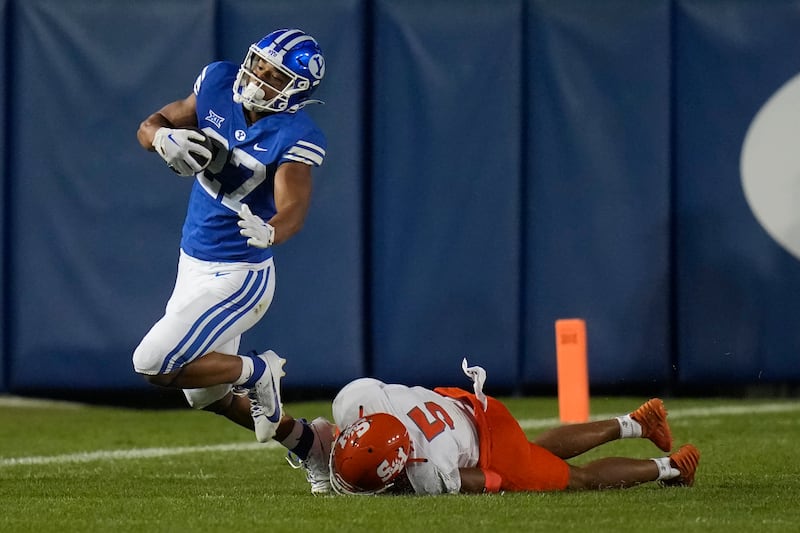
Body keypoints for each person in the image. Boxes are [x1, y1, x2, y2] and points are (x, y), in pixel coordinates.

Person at [132, 29, 329, 450]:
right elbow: (151, 125)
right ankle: (313, 448)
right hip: (193, 262)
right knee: (206, 394)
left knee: (151, 361)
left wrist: (274, 230)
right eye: (258, 64)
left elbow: (293, 203)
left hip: (239, 274)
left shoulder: (295, 134)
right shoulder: (218, 84)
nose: (257, 77)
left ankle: (259, 371)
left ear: (294, 91)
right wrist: (162, 138)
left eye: (273, 75)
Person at [313, 359, 700, 495]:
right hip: (467, 406)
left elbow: (491, 480)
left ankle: (670, 467)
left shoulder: (427, 470)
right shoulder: (356, 399)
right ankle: (635, 423)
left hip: (487, 449)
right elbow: (333, 430)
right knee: (532, 449)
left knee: (576, 480)